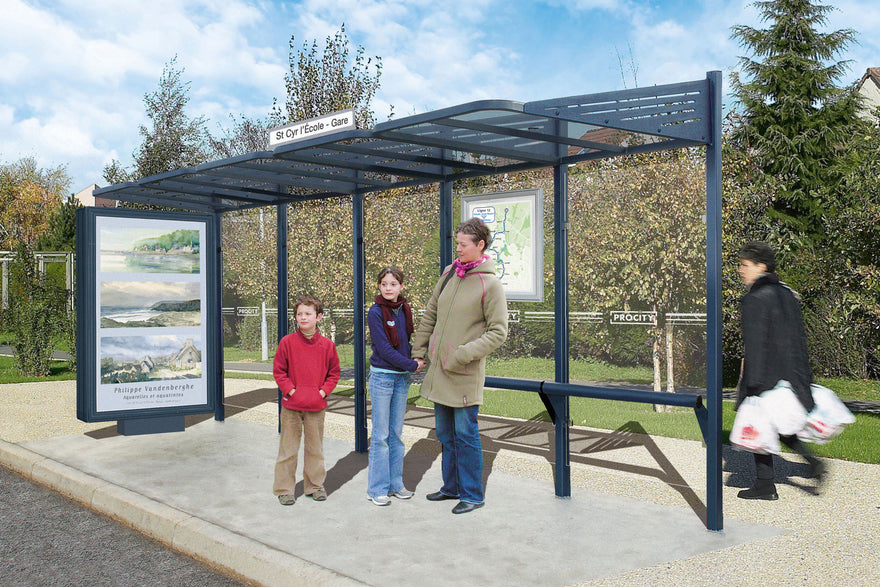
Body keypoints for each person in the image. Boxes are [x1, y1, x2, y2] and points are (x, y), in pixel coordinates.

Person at [412, 217, 508, 514]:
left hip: (464, 373)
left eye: (464, 244)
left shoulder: (490, 285)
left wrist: (463, 353)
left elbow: (498, 332)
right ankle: (451, 487)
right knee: (445, 434)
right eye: (457, 243)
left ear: (480, 245)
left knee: (466, 436)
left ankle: (472, 495)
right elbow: (430, 314)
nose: (459, 249)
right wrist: (419, 350)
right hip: (440, 373)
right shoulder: (449, 273)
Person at [736, 241, 824, 500]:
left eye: (745, 265)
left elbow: (755, 343)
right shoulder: (786, 292)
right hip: (790, 372)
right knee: (777, 424)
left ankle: (765, 485)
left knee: (757, 425)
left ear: (760, 266)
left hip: (765, 374)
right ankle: (812, 462)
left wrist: (751, 382)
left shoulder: (755, 297)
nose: (741, 270)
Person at [272, 294, 341, 505]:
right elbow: (279, 372)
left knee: (315, 449)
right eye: (299, 314)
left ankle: (315, 486)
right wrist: (292, 391)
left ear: (318, 317)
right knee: (288, 449)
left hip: (316, 407)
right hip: (291, 407)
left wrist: (321, 393)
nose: (303, 318)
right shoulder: (287, 343)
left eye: (308, 314)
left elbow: (334, 374)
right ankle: (284, 489)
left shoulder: (327, 345)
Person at [366, 266, 421, 506]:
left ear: (401, 286)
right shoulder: (375, 312)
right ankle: (377, 488)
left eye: (393, 284)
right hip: (382, 378)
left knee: (396, 434)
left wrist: (414, 361)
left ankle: (395, 484)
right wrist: (411, 364)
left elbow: (406, 342)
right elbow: (384, 350)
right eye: (384, 284)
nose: (388, 288)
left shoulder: (404, 310)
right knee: (381, 436)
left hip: (401, 379)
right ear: (379, 286)